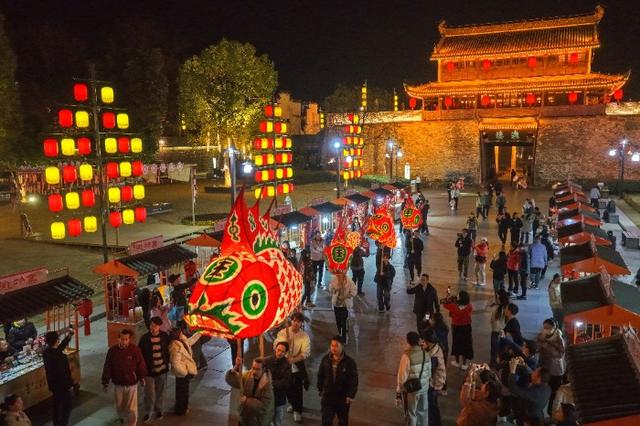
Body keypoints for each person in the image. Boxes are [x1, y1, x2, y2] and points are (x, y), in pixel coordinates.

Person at [101, 329, 147, 426]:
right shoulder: (112, 351)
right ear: (118, 338)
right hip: (118, 384)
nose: (124, 341)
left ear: (129, 339)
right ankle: (123, 418)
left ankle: (131, 423)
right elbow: (108, 366)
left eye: (126, 339)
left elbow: (140, 365)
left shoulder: (135, 350)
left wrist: (141, 377)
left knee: (132, 407)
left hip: (131, 383)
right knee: (119, 405)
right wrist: (105, 381)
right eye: (122, 339)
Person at [274, 312, 311, 423]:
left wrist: (293, 360)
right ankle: (292, 404)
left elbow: (305, 353)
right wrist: (284, 346)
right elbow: (276, 346)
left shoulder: (304, 336)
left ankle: (297, 410)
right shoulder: (283, 332)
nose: (296, 323)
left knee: (297, 388)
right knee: (286, 387)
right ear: (291, 321)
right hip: (283, 364)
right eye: (294, 320)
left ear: (301, 323)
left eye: (298, 322)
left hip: (296, 365)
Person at [317, 336, 358, 426]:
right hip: (328, 396)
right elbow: (320, 375)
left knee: (343, 421)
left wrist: (350, 395)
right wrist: (320, 389)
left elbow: (353, 380)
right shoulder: (325, 359)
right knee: (326, 421)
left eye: (336, 346)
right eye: (332, 345)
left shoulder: (349, 362)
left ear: (342, 346)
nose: (333, 348)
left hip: (342, 398)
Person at [225, 357, 275, 426]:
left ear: (263, 369)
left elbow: (264, 407)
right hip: (244, 419)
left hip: (258, 422)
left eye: (257, 369)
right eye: (253, 368)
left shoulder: (267, 385)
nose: (254, 372)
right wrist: (235, 367)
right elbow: (233, 381)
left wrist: (246, 400)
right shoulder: (248, 376)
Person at [138, 317, 170, 422]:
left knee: (160, 391)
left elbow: (169, 350)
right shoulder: (144, 338)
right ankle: (148, 411)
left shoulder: (164, 336)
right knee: (149, 393)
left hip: (162, 369)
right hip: (149, 371)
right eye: (151, 325)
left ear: (159, 326)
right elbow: (139, 354)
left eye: (155, 326)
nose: (152, 328)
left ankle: (159, 410)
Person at [396, 331, 431, 426]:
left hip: (412, 390)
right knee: (423, 411)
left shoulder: (406, 356)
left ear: (408, 341)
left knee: (411, 413)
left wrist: (398, 392)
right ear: (418, 340)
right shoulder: (426, 354)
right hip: (424, 388)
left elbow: (402, 377)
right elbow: (429, 372)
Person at [43, 329, 75, 426]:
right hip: (62, 386)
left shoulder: (47, 352)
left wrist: (69, 337)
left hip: (54, 386)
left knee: (57, 406)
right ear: (56, 340)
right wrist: (69, 384)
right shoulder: (57, 357)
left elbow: (60, 347)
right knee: (66, 408)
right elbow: (62, 373)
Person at [168, 327, 201, 416]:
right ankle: (181, 410)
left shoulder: (181, 340)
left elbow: (189, 342)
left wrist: (199, 334)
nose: (182, 333)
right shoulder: (175, 347)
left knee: (183, 391)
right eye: (181, 333)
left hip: (184, 371)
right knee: (182, 393)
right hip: (182, 373)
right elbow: (175, 363)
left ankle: (182, 408)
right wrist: (184, 372)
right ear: (178, 335)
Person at [537, 319, 566, 417]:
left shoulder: (559, 338)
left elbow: (560, 354)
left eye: (548, 328)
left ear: (554, 328)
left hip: (555, 370)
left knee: (554, 392)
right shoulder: (542, 336)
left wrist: (547, 347)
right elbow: (538, 346)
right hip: (544, 366)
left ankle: (551, 412)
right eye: (544, 327)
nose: (546, 330)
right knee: (544, 388)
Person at [507, 360, 551, 424]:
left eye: (535, 371)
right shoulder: (545, 386)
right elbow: (529, 376)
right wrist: (523, 365)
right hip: (532, 413)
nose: (533, 371)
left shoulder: (536, 393)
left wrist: (512, 371)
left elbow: (514, 389)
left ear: (538, 378)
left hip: (529, 419)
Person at [443, 291, 473, 370]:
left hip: (456, 327)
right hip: (466, 327)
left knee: (456, 343)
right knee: (465, 344)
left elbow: (444, 304)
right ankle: (464, 364)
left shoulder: (453, 306)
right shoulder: (469, 307)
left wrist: (448, 297)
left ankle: (457, 361)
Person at [264, 342, 292, 426]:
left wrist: (271, 383)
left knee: (277, 420)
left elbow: (286, 382)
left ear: (285, 353)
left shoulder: (287, 365)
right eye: (278, 350)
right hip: (267, 396)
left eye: (282, 351)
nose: (280, 353)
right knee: (266, 419)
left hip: (279, 397)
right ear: (275, 349)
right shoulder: (267, 360)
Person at [422, 329, 446, 426]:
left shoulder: (433, 356)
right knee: (434, 406)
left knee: (431, 407)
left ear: (427, 341)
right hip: (437, 382)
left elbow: (429, 372)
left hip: (434, 384)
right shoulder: (436, 347)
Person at [329, 272, 357, 343]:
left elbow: (354, 292)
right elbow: (330, 290)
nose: (338, 276)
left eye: (340, 274)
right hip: (336, 304)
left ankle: (344, 338)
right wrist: (335, 289)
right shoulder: (334, 280)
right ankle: (340, 334)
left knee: (343, 322)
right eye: (337, 274)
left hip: (345, 306)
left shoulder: (349, 281)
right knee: (338, 321)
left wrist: (345, 296)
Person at [489, 291, 510, 368]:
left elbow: (493, 320)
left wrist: (491, 302)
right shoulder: (508, 307)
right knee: (502, 348)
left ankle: (493, 363)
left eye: (497, 297)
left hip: (496, 331)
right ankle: (501, 363)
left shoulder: (496, 308)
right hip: (504, 331)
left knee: (494, 348)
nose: (496, 298)